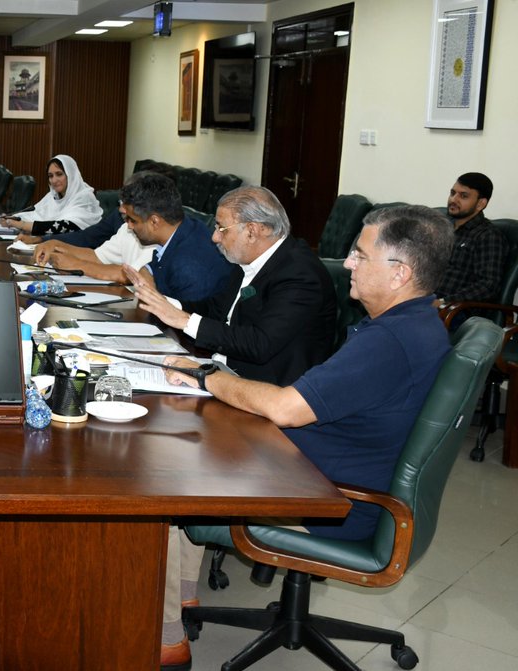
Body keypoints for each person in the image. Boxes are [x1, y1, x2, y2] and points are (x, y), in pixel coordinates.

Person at [155, 205, 454, 671]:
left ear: (400, 274)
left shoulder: (389, 342)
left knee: (168, 481)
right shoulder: (416, 324)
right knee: (202, 441)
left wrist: (205, 375)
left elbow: (285, 408)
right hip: (322, 476)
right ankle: (184, 600)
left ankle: (167, 638)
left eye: (359, 255)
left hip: (331, 501)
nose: (348, 264)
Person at [129, 186, 336, 386]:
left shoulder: (300, 274)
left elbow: (260, 343)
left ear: (252, 231)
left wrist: (184, 320)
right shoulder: (247, 259)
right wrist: (165, 304)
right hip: (228, 372)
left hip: (267, 393)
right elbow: (216, 310)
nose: (215, 237)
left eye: (221, 228)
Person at [55, 172, 232, 299]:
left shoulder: (190, 264)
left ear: (154, 221)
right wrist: (146, 272)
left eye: (133, 220)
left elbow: (186, 325)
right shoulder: (184, 229)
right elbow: (150, 270)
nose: (129, 227)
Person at [436, 172, 509, 304]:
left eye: (463, 196)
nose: (453, 199)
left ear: (480, 203)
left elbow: (488, 286)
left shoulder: (488, 235)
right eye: (453, 193)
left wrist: (443, 302)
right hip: (424, 303)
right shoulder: (443, 226)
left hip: (454, 311)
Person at [0, 155, 102, 235]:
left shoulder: (84, 197)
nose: (54, 180)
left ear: (71, 175)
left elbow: (63, 227)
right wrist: (12, 218)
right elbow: (36, 214)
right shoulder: (53, 196)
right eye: (50, 176)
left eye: (59, 174)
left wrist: (20, 224)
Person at [31, 207, 156, 273]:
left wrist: (76, 264)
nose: (121, 209)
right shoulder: (127, 227)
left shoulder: (156, 237)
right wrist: (55, 244)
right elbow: (97, 257)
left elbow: (130, 275)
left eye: (127, 202)